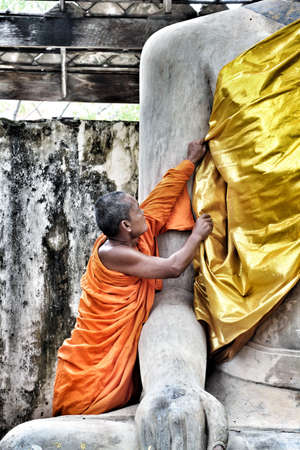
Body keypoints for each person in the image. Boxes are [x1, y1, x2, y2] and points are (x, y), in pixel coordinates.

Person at [52, 139, 213, 416]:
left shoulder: (130, 235)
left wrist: (190, 163)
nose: (144, 212)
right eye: (137, 210)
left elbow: (160, 200)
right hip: (91, 364)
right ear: (126, 225)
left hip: (98, 352)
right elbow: (173, 267)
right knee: (83, 416)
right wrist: (197, 236)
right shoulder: (116, 253)